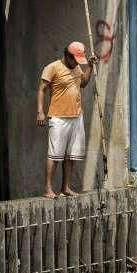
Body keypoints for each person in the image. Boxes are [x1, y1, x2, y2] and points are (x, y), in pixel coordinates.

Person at [36, 42, 98, 199]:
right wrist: (40, 112)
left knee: (71, 155)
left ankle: (66, 187)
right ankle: (48, 189)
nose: (77, 62)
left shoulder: (76, 67)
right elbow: (41, 90)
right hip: (58, 117)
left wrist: (89, 66)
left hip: (76, 116)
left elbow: (83, 83)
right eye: (75, 59)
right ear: (67, 56)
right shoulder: (53, 67)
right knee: (54, 154)